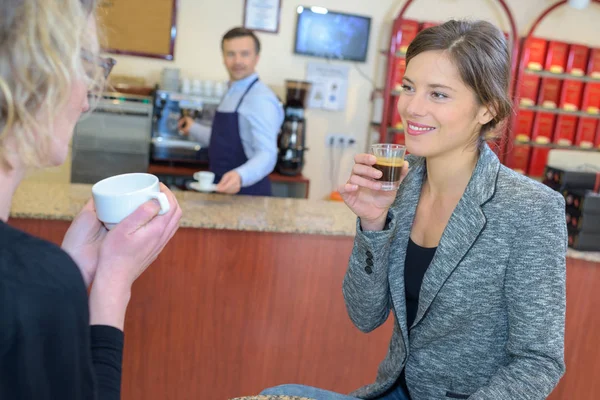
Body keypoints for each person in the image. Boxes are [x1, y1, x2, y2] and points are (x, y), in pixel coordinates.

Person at [260, 19, 567, 400]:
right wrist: (373, 223)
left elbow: (539, 361)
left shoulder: (530, 209)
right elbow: (364, 316)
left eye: (438, 94)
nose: (412, 108)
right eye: (409, 87)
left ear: (486, 109)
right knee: (278, 393)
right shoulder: (400, 185)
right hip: (392, 390)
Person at [0, 0, 182, 399]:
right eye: (86, 66)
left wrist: (71, 271)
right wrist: (112, 285)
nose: (87, 99)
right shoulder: (27, 278)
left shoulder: (35, 279)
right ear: (33, 73)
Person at [178, 27, 284, 196]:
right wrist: (193, 128)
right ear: (223, 58)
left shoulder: (260, 98)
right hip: (223, 188)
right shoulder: (232, 91)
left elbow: (267, 154)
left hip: (248, 194)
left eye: (244, 54)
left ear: (256, 58)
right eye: (231, 54)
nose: (237, 61)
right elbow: (221, 139)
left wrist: (240, 176)